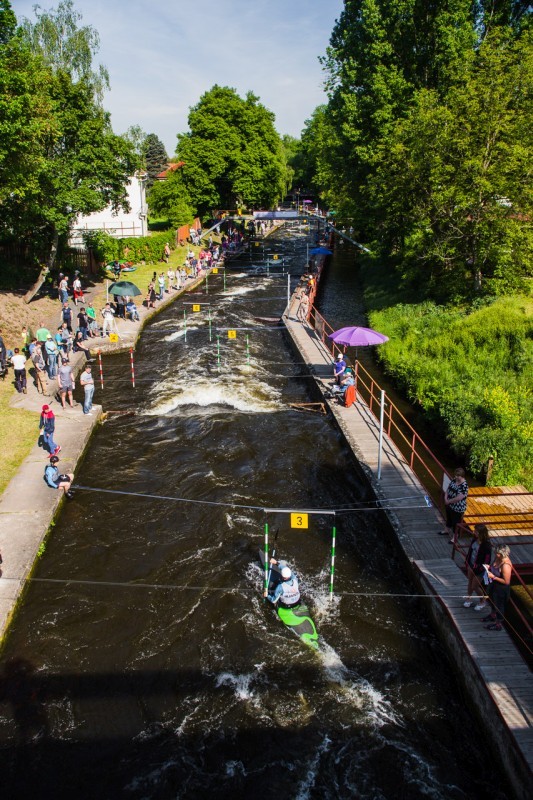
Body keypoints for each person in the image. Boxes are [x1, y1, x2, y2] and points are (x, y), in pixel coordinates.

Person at [482, 545, 513, 631]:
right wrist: (489, 567)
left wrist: (494, 577)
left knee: (499, 606)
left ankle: (498, 624)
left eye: (497, 553)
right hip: (493, 585)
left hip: (501, 589)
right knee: (492, 600)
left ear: (503, 554)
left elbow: (506, 582)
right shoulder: (497, 558)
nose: (496, 554)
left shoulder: (506, 565)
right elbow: (494, 567)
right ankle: (492, 615)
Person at [463, 524, 492, 611]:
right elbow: (470, 552)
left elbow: (487, 560)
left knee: (475, 585)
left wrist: (480, 568)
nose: (474, 532)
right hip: (471, 565)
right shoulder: (474, 540)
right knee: (470, 582)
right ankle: (469, 598)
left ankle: (482, 601)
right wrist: (467, 562)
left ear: (481, 533)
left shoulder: (487, 545)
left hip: (479, 569)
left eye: (476, 531)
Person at [439, 468, 469, 542]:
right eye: (455, 475)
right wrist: (445, 498)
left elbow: (459, 498)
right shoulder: (454, 480)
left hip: (457, 507)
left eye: (457, 476)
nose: (455, 477)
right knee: (449, 518)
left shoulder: (464, 486)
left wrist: (448, 501)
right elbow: (448, 489)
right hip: (449, 504)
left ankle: (455, 537)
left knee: (455, 522)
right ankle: (446, 530)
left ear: (462, 476)